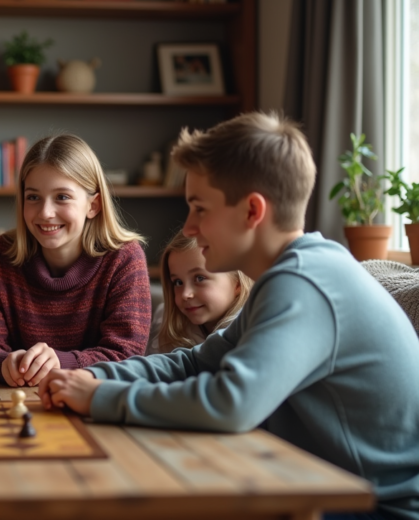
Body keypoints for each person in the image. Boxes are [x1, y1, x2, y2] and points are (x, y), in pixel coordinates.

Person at [38, 112, 419, 520]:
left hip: (375, 509)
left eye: (199, 208)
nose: (189, 226)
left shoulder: (306, 283)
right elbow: (196, 360)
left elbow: (230, 404)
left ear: (252, 211)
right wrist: (95, 377)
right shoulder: (288, 276)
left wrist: (99, 398)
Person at [0, 134, 151, 388]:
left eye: (62, 197)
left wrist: (61, 363)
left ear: (93, 205)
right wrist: (4, 363)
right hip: (15, 400)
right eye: (33, 197)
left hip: (93, 400)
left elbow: (127, 355)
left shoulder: (124, 258)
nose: (45, 213)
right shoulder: (1, 256)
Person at [147, 230, 252, 354]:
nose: (186, 294)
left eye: (200, 278)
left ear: (238, 283)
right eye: (178, 282)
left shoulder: (254, 327)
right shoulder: (164, 321)